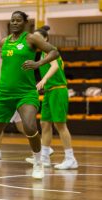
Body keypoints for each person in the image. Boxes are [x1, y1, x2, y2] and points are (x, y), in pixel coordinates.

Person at [0, 10, 59, 179]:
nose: (14, 23)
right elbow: (8, 69)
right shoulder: (4, 42)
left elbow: (54, 51)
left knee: (29, 126)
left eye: (18, 20)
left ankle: (38, 163)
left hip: (26, 92)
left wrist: (39, 63)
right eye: (12, 20)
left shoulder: (31, 38)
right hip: (4, 93)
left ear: (25, 23)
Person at [25, 25, 78, 169]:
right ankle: (45, 157)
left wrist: (43, 80)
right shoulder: (40, 53)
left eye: (38, 38)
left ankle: (70, 158)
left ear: (46, 39)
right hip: (49, 92)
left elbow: (54, 67)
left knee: (60, 124)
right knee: (44, 124)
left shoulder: (51, 50)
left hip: (58, 90)